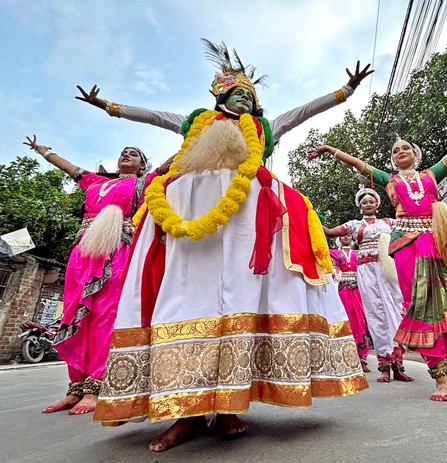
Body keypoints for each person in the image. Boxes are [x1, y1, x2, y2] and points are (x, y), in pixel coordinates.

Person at [84, 40, 372, 452]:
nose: (244, 97)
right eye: (237, 92)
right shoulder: (196, 121)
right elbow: (152, 116)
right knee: (182, 303)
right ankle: (184, 412)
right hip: (189, 215)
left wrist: (344, 92)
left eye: (250, 95)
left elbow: (303, 111)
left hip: (246, 222)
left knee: (239, 302)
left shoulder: (264, 127)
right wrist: (108, 106)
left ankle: (230, 405)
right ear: (220, 94)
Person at [310, 120, 447, 401]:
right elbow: (359, 165)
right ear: (392, 160)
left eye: (405, 148)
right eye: (396, 150)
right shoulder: (390, 180)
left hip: (440, 238)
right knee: (421, 306)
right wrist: (331, 149)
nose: (400, 151)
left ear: (416, 155)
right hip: (407, 242)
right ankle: (441, 378)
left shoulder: (432, 174)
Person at [23, 137, 159, 414]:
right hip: (83, 251)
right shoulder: (94, 181)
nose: (127, 154)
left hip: (117, 249)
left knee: (104, 315)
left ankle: (95, 388)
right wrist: (42, 150)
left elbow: (171, 167)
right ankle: (74, 388)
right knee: (74, 315)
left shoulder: (145, 184)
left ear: (143, 165)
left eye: (134, 154)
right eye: (124, 151)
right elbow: (69, 168)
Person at [323, 188, 412, 382]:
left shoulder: (389, 222)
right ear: (359, 206)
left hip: (388, 268)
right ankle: (384, 366)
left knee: (395, 311)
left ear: (377, 204)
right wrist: (312, 220)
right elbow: (329, 232)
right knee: (375, 314)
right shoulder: (354, 225)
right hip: (366, 271)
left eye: (372, 201)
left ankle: (398, 364)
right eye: (364, 202)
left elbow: (411, 227)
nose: (368, 204)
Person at [330, 234, 371, 372]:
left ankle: (362, 357)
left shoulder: (358, 254)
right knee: (346, 320)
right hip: (343, 290)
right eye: (342, 236)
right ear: (339, 240)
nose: (346, 237)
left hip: (358, 289)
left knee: (360, 320)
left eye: (348, 235)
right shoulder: (334, 253)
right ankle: (346, 356)